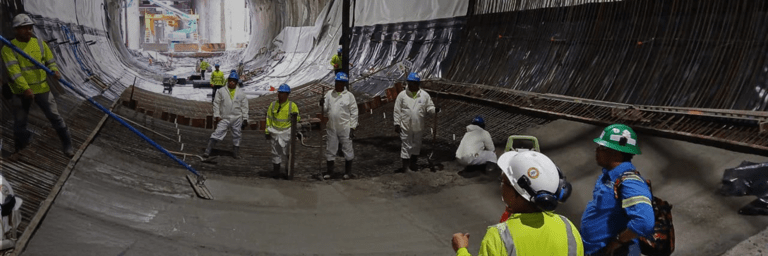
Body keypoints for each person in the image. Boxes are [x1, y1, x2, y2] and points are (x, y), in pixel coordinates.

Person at [451, 151, 583, 256]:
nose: (501, 186)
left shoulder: (499, 237)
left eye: (503, 182)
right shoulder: (568, 228)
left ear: (517, 193)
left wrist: (461, 250)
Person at [1, 14, 73, 157]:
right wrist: (25, 89)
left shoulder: (40, 44)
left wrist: (54, 70)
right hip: (20, 92)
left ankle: (68, 145)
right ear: (16, 30)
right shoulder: (8, 49)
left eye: (30, 28)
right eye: (24, 28)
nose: (28, 31)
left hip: (42, 89)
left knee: (55, 117)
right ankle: (21, 149)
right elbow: (15, 73)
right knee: (20, 122)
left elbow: (50, 61)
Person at [580, 124, 654, 256]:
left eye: (602, 147)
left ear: (615, 152)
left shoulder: (631, 183)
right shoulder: (608, 176)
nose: (597, 150)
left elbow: (644, 221)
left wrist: (619, 240)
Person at [393, 72, 439, 172]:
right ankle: (405, 167)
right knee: (406, 146)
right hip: (405, 126)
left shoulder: (424, 96)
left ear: (418, 84)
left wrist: (434, 110)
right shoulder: (402, 95)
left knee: (416, 145)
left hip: (418, 126)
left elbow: (429, 107)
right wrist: (396, 123)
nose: (410, 85)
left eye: (412, 83)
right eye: (409, 82)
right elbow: (397, 110)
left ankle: (413, 164)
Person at [319, 72, 358, 180]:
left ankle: (348, 172)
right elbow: (325, 109)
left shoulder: (349, 96)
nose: (337, 84)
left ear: (344, 84)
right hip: (331, 126)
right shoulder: (329, 94)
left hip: (345, 127)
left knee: (347, 148)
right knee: (330, 148)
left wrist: (352, 127)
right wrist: (322, 103)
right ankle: (330, 172)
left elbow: (354, 112)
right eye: (336, 82)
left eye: (340, 83)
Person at [203, 70, 248, 159]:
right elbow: (216, 103)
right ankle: (208, 151)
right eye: (230, 80)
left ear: (236, 82)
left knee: (237, 135)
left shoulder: (241, 93)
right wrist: (217, 115)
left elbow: (245, 106)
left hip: (237, 118)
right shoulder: (221, 91)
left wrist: (245, 118)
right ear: (228, 80)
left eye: (234, 81)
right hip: (224, 117)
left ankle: (235, 152)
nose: (232, 82)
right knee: (217, 133)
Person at [266, 84, 300, 176]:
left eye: (283, 93)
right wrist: (267, 131)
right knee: (275, 153)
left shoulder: (292, 106)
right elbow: (269, 118)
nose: (280, 95)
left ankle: (288, 170)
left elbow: (297, 118)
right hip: (274, 131)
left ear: (287, 94)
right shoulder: (273, 105)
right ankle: (276, 171)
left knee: (288, 152)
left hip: (287, 132)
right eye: (279, 93)